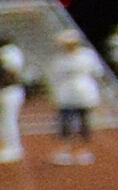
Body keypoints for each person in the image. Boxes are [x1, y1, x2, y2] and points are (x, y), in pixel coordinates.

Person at [45, 32, 108, 163]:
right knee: (65, 122)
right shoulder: (59, 58)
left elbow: (97, 71)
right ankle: (64, 150)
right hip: (66, 93)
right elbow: (53, 77)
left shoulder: (87, 55)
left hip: (84, 92)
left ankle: (84, 151)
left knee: (84, 122)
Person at [0, 35, 31, 163]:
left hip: (8, 91)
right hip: (14, 90)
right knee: (8, 120)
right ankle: (12, 147)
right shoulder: (16, 53)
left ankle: (12, 148)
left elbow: (9, 72)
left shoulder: (5, 54)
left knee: (7, 120)